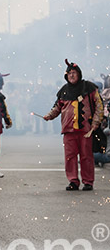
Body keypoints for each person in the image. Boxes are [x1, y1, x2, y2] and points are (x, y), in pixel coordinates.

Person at [44, 60, 104, 192]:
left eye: (74, 73)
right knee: (70, 157)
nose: (71, 75)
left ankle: (88, 182)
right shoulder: (64, 91)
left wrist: (95, 123)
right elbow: (57, 107)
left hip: (85, 130)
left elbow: (99, 106)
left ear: (79, 74)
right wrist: (49, 116)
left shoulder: (89, 88)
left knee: (86, 156)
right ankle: (73, 181)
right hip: (68, 130)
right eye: (69, 73)